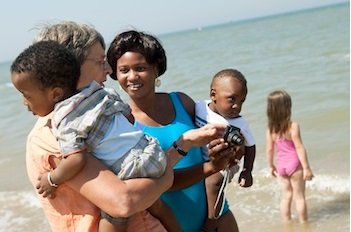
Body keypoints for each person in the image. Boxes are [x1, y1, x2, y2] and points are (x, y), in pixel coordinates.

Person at [19, 21, 232, 232]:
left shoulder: (99, 114)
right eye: (100, 61)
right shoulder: (54, 134)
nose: (109, 69)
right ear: (69, 68)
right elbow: (125, 201)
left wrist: (184, 145)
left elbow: (140, 173)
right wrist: (167, 176)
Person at [11, 40, 180, 232]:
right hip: (151, 149)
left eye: (26, 95)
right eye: (100, 61)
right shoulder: (99, 92)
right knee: (158, 205)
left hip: (132, 169)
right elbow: (128, 116)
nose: (24, 102)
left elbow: (77, 160)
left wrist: (51, 179)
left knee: (113, 216)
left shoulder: (64, 123)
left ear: (56, 93)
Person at [107, 30, 239, 232]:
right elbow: (160, 184)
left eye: (140, 68)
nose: (132, 76)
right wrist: (212, 167)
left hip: (218, 218)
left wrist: (229, 150)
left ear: (156, 68)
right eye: (124, 70)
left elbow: (208, 151)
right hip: (172, 227)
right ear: (115, 74)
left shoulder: (181, 101)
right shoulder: (124, 126)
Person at [195, 68, 256, 230]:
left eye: (242, 101)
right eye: (232, 99)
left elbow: (250, 146)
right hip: (202, 159)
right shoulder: (199, 107)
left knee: (214, 181)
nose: (237, 106)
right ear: (213, 95)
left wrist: (247, 171)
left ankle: (212, 221)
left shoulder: (239, 123)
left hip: (226, 162)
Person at [265, 90, 314, 223]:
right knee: (299, 197)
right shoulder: (293, 126)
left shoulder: (270, 129)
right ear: (287, 108)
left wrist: (271, 166)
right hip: (295, 165)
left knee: (286, 196)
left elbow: (269, 149)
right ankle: (304, 223)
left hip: (281, 166)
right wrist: (306, 168)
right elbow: (299, 147)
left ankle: (286, 222)